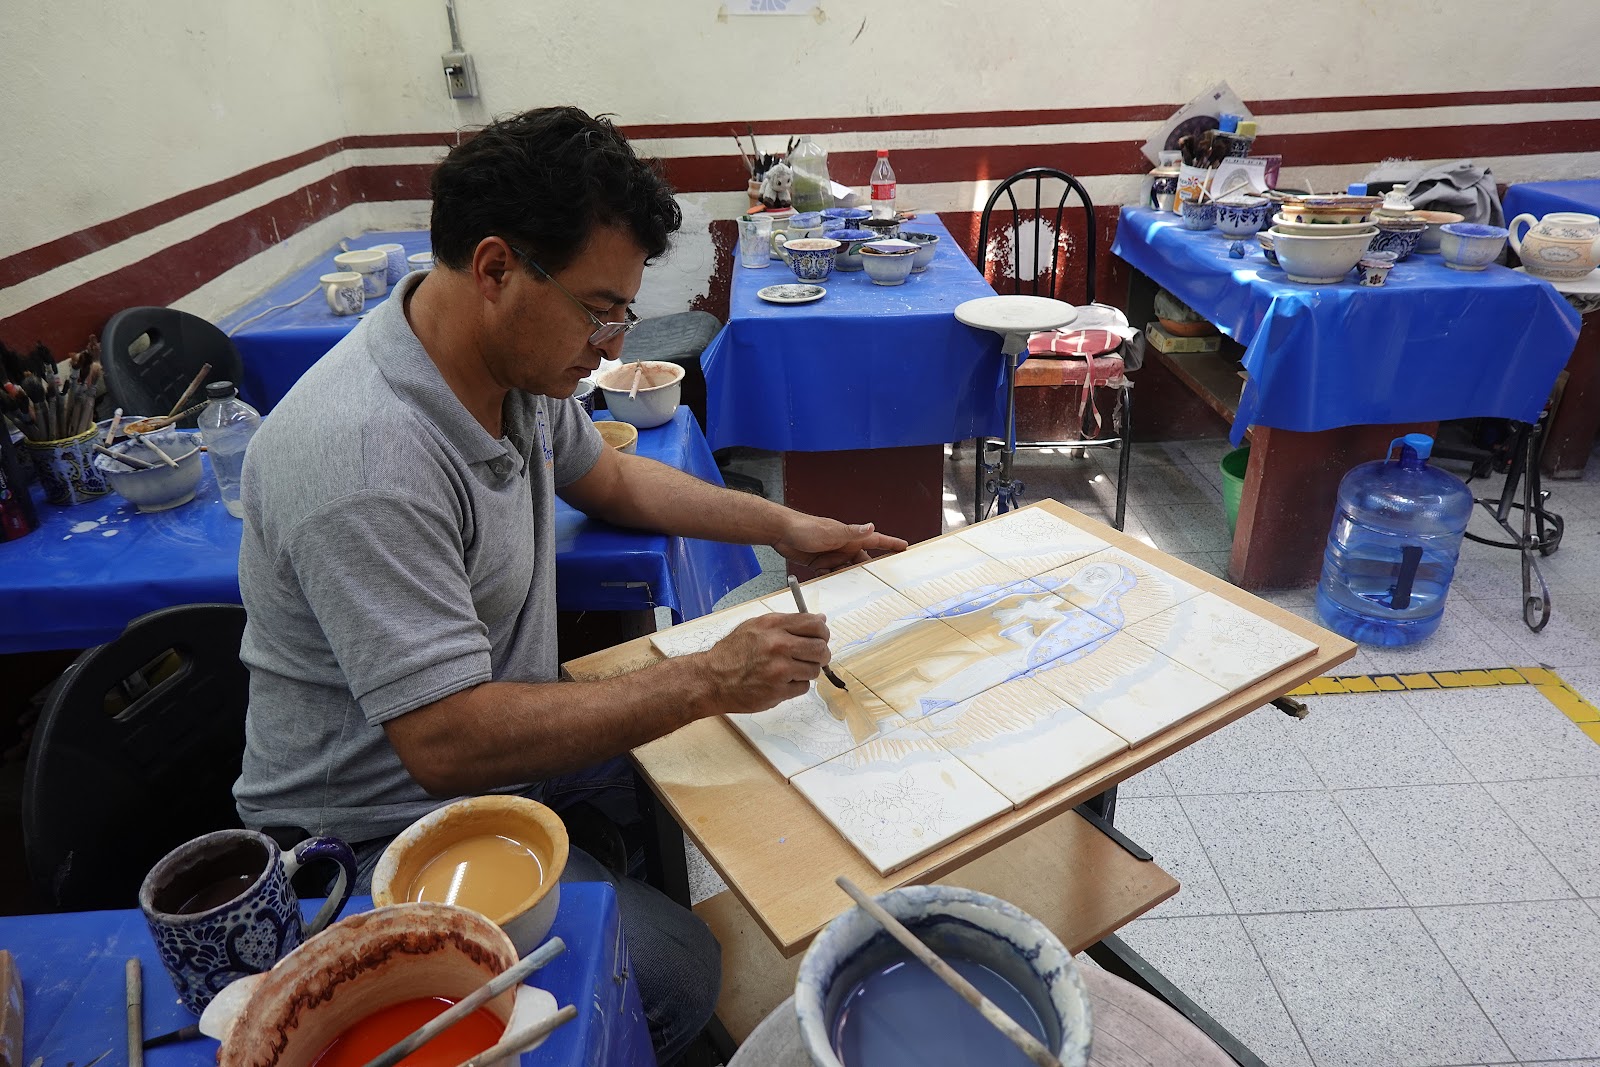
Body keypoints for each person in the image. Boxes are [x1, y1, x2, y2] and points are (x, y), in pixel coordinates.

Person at [232, 105, 905, 1061]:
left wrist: (788, 528)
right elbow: (446, 741)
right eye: (598, 311)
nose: (612, 345)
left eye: (619, 313)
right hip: (377, 834)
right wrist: (707, 676)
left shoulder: (509, 368)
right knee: (678, 971)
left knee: (719, 769)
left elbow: (614, 477)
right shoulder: (367, 455)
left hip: (491, 745)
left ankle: (603, 883)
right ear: (496, 269)